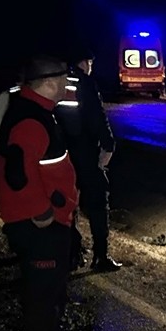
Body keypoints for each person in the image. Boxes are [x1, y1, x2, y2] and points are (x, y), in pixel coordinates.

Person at [0, 54, 93, 331]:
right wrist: (43, 212)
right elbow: (18, 173)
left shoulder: (34, 110)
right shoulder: (31, 119)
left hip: (40, 222)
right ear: (49, 83)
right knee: (46, 295)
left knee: (39, 290)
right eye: (64, 78)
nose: (68, 83)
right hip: (39, 225)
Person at [58, 51, 121, 272]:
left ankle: (72, 254)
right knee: (97, 201)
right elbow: (96, 116)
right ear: (84, 62)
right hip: (86, 152)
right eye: (91, 61)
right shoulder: (85, 83)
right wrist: (109, 143)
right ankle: (100, 256)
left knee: (67, 203)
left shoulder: (57, 81)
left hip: (62, 153)